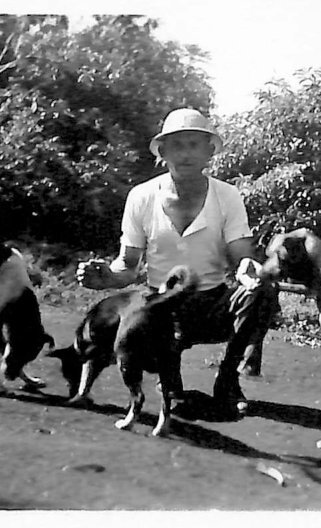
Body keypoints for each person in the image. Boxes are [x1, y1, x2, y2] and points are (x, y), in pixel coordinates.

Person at [76, 108, 278, 415]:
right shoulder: (142, 197)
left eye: (194, 144)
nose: (186, 154)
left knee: (262, 293)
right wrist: (104, 277)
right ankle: (169, 378)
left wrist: (247, 267)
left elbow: (241, 255)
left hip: (212, 303)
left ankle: (227, 380)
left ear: (209, 151)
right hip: (161, 305)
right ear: (163, 152)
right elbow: (128, 266)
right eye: (177, 145)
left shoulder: (227, 196)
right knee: (139, 336)